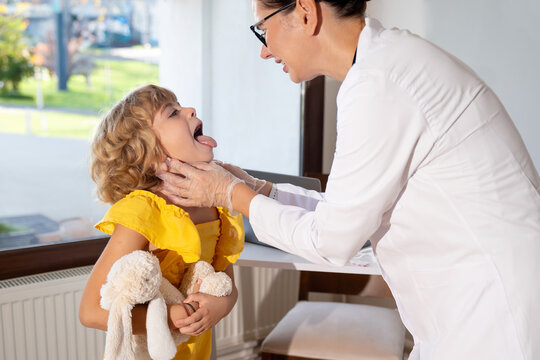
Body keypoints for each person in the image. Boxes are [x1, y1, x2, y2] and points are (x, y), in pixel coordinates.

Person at [157, 0, 540, 359]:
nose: (264, 50)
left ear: (305, 12)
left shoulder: (381, 84)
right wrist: (259, 189)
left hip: (495, 311)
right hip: (475, 302)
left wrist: (231, 194)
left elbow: (332, 240)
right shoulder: (386, 65)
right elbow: (342, 211)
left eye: (263, 29)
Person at [78, 84, 244, 360]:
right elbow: (91, 311)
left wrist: (221, 305)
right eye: (173, 113)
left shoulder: (214, 204)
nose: (190, 110)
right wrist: (168, 318)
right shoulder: (143, 212)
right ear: (152, 154)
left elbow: (226, 284)